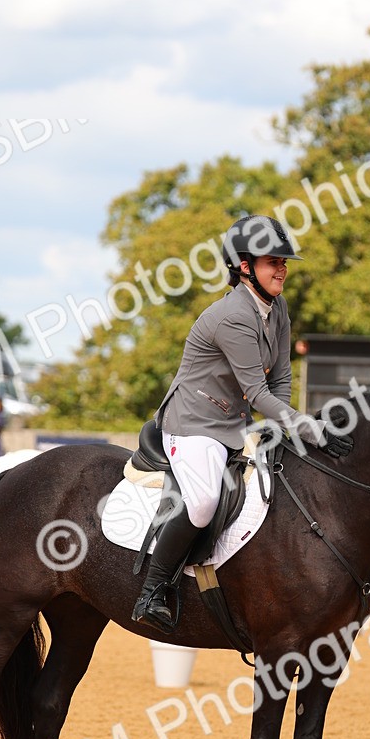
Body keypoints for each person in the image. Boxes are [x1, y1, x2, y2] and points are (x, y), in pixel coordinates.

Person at [131, 214, 327, 634]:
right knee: (201, 503)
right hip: (194, 423)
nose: (282, 269)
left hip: (234, 424)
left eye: (284, 261)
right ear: (244, 267)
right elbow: (257, 392)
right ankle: (152, 590)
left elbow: (281, 376)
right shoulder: (233, 315)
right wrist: (298, 425)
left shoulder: (277, 307)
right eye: (272, 261)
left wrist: (285, 422)